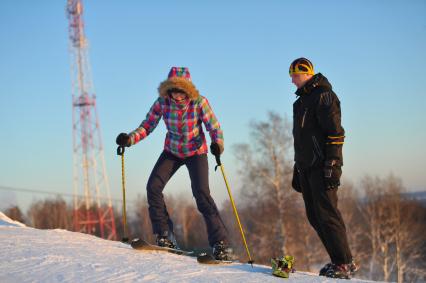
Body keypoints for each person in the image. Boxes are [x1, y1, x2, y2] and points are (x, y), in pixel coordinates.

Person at [116, 67, 232, 260]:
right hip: (172, 150)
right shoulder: (162, 102)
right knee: (153, 186)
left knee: (201, 194)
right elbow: (147, 125)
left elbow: (214, 127)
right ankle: (165, 235)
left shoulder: (199, 102)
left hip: (196, 151)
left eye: (181, 90)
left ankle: (222, 244)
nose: (177, 95)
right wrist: (129, 139)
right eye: (173, 90)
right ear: (168, 89)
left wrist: (217, 145)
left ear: (188, 90)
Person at [289, 58, 358, 279]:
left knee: (328, 215)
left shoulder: (324, 97)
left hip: (322, 167)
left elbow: (336, 134)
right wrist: (297, 168)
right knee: (314, 215)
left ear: (306, 73)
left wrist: (333, 165)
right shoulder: (300, 103)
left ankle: (345, 264)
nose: (292, 80)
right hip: (306, 167)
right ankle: (338, 261)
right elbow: (301, 139)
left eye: (294, 75)